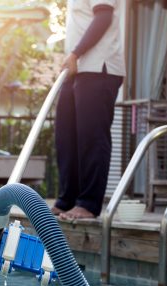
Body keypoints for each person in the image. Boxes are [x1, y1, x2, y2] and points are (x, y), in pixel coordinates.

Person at [52, 0, 124, 220]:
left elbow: (103, 17)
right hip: (78, 70)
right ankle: (68, 200)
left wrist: (75, 53)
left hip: (99, 67)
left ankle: (89, 204)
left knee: (91, 137)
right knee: (66, 136)